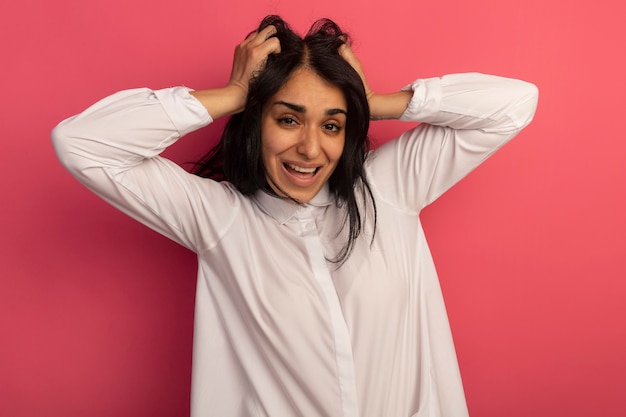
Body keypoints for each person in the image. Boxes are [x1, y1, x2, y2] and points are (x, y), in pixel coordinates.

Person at [52, 15, 538, 417]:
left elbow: (514, 105)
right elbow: (82, 145)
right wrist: (234, 92)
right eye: (288, 118)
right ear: (255, 120)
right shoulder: (218, 217)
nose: (310, 147)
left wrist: (376, 103)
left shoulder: (389, 187)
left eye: (332, 124)